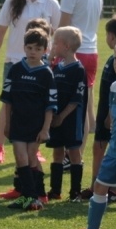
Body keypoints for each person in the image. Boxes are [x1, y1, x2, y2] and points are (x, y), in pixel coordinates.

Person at [0, 0, 61, 164]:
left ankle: (34, 148)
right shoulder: (12, 1)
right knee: (8, 104)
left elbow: (57, 34)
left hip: (40, 65)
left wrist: (52, 57)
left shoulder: (51, 3)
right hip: (14, 61)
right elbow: (0, 31)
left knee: (36, 107)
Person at [0, 28, 56, 212]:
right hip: (17, 123)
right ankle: (32, 196)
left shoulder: (46, 74)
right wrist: (7, 123)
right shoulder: (16, 70)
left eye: (38, 49)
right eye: (29, 47)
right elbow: (7, 101)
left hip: (36, 125)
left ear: (45, 51)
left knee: (31, 156)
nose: (33, 52)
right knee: (20, 156)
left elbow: (50, 105)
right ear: (24, 48)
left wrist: (45, 129)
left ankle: (35, 195)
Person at [54, 0, 103, 156]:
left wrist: (53, 52)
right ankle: (76, 156)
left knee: (66, 106)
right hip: (91, 52)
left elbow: (63, 26)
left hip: (73, 52)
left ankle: (67, 154)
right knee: (82, 107)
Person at [65, 64, 116, 229]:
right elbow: (111, 116)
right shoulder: (114, 86)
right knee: (100, 186)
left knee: (102, 186)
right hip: (114, 150)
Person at [47, 26, 87, 202]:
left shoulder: (78, 70)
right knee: (57, 152)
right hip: (56, 118)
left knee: (74, 153)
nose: (53, 46)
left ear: (66, 46)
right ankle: (55, 190)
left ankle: (75, 192)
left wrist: (61, 116)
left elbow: (76, 98)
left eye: (56, 43)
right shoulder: (57, 67)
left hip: (71, 119)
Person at [85, 18, 116, 200]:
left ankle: (109, 189)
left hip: (109, 115)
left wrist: (108, 116)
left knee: (107, 150)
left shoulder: (115, 60)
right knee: (98, 149)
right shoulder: (111, 59)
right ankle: (95, 186)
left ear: (111, 36)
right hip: (105, 112)